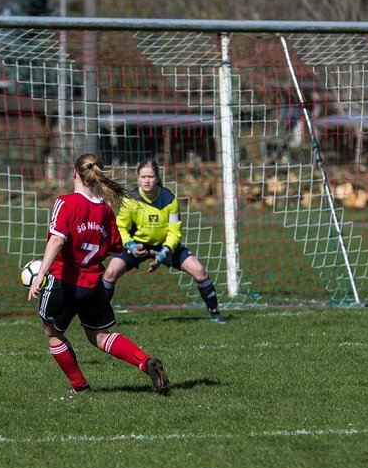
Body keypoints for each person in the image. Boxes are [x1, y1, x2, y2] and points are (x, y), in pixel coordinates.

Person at [28, 153, 170, 396]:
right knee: (99, 336)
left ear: (74, 172)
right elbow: (114, 246)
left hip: (65, 280)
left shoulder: (66, 202)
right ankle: (144, 361)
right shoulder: (104, 210)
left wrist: (41, 273)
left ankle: (79, 386)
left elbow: (56, 241)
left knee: (51, 331)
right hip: (94, 283)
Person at [101, 158, 227, 324]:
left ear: (157, 178)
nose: (146, 180)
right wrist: (131, 245)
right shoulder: (130, 200)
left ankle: (215, 314)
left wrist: (163, 253)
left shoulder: (170, 199)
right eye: (143, 176)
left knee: (199, 270)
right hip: (136, 245)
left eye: (150, 176)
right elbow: (121, 227)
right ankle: (100, 317)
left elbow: (174, 231)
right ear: (137, 178)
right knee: (110, 273)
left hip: (164, 247)